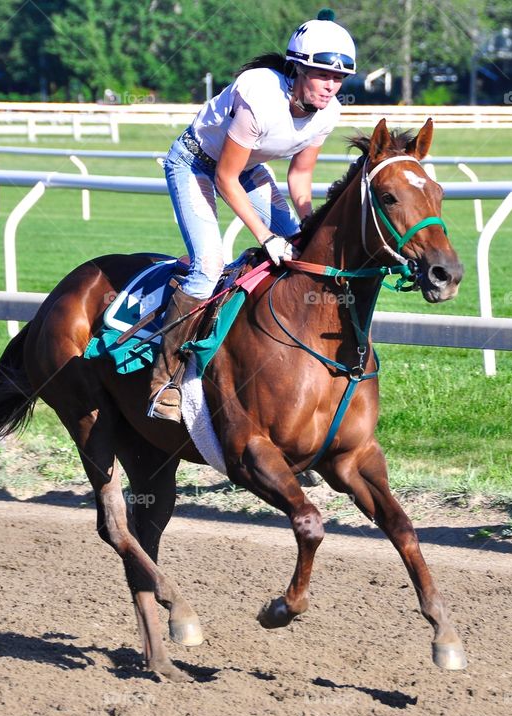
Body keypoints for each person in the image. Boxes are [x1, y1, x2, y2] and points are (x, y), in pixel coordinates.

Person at [148, 9, 357, 422]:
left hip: (246, 171)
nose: (331, 86)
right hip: (195, 165)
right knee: (208, 267)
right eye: (321, 75)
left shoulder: (328, 113)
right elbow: (224, 178)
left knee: (304, 252)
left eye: (339, 79)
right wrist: (265, 236)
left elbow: (300, 176)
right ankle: (165, 380)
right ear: (296, 69)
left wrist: (305, 226)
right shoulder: (259, 94)